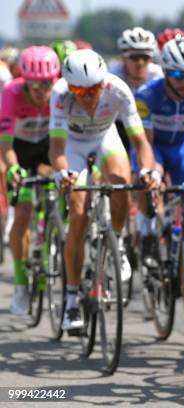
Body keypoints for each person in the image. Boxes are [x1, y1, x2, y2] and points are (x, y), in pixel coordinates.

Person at [49, 49, 159, 330]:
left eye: (93, 89)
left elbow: (141, 143)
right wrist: (62, 172)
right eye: (79, 90)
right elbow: (57, 149)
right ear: (69, 86)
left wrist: (147, 170)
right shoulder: (60, 95)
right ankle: (72, 300)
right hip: (73, 145)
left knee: (122, 181)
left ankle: (118, 243)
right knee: (78, 213)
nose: (87, 96)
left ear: (103, 83)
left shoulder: (118, 90)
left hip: (104, 137)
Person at [134, 37, 184, 290]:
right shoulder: (146, 95)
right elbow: (145, 142)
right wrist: (158, 173)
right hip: (155, 145)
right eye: (178, 74)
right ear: (165, 71)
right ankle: (146, 232)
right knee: (150, 181)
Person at [0, 46, 60, 315]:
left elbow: (67, 138)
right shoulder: (11, 93)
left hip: (49, 149)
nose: (40, 90)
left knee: (58, 202)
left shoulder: (60, 93)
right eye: (34, 84)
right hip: (19, 151)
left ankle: (52, 242)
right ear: (24, 79)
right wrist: (13, 168)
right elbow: (5, 143)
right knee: (22, 212)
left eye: (46, 83)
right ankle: (22, 282)